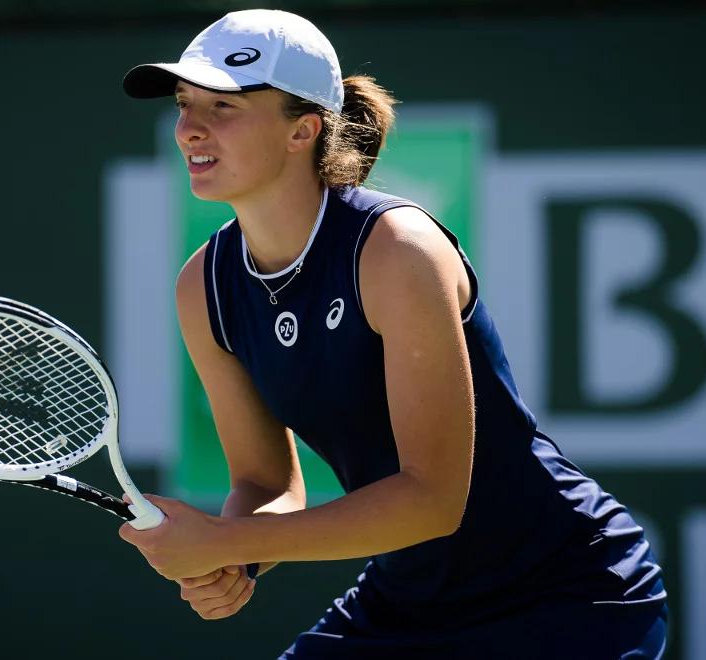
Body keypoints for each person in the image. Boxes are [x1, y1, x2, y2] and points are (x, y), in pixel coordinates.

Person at [117, 9, 667, 659]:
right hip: (408, 598)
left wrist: (228, 543)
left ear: (303, 130)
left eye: (223, 106)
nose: (189, 128)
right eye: (185, 104)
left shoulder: (397, 251)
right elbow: (266, 485)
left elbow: (432, 500)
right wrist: (234, 558)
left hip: (566, 594)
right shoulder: (202, 288)